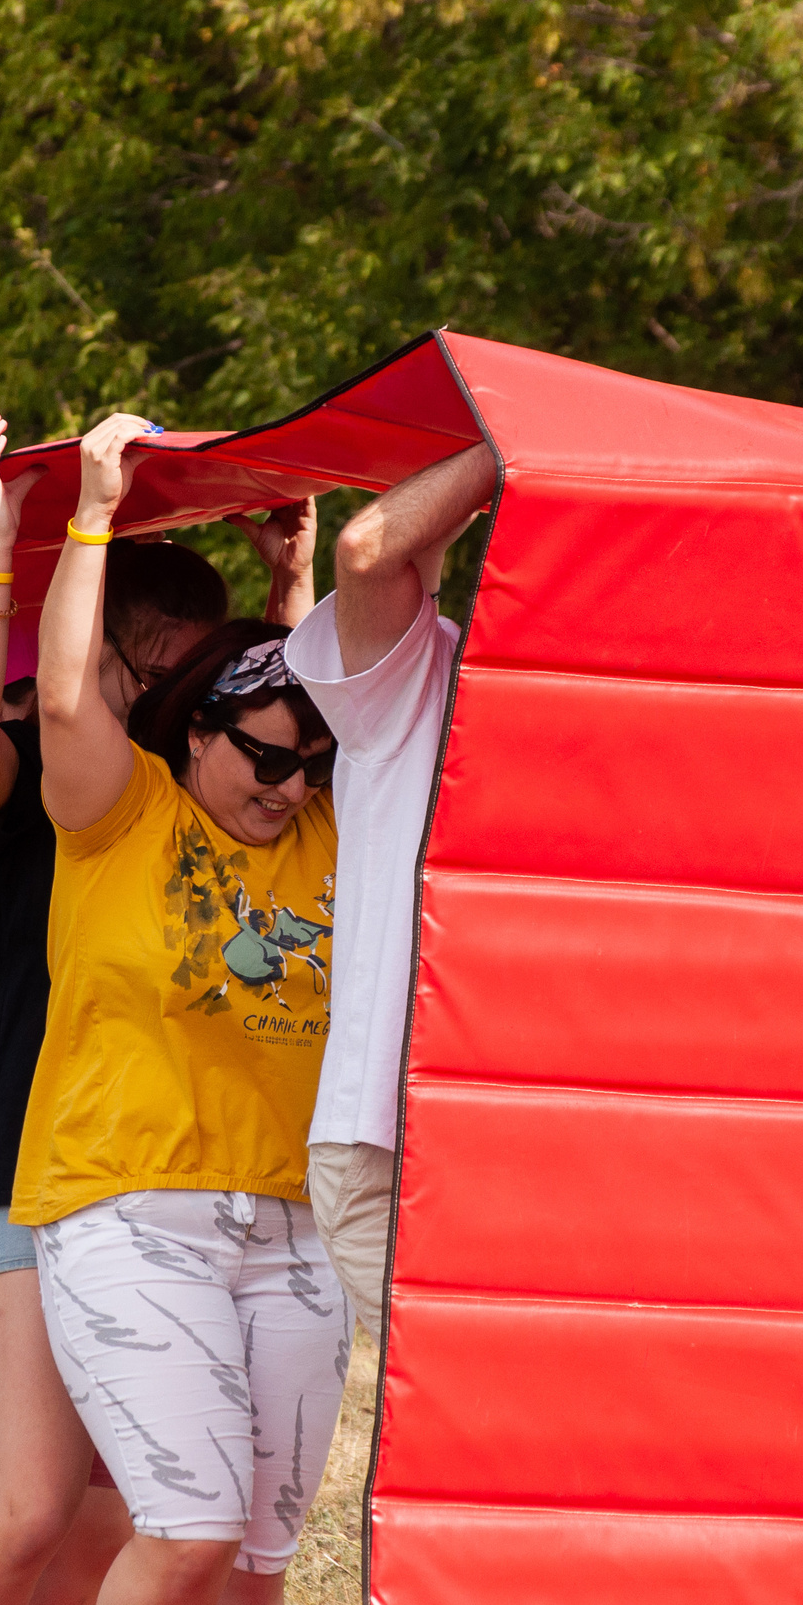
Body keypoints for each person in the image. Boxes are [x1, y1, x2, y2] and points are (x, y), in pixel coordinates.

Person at [0, 413, 315, 1605]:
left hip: (274, 1208)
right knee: (63, 1509)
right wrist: (61, 523)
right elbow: (28, 715)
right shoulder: (102, 799)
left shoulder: (294, 804)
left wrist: (292, 578)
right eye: (167, 672)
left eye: (306, 764)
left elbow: (293, 709)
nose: (291, 783)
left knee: (230, 1546)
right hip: (81, 1186)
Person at [281, 441, 499, 1340]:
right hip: (385, 1136)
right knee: (465, 1402)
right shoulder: (416, 677)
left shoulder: (599, 699)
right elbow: (370, 548)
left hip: (503, 1120)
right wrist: (514, 444)